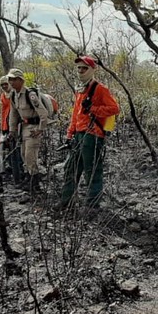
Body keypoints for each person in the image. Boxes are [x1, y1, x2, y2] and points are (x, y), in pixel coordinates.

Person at [60, 55, 120, 209]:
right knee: (71, 168)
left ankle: (92, 205)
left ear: (92, 69)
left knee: (91, 170)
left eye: (84, 68)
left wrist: (93, 109)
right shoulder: (80, 89)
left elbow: (114, 108)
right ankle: (66, 202)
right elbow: (75, 114)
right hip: (78, 134)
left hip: (93, 134)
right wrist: (69, 133)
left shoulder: (99, 88)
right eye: (79, 67)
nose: (81, 70)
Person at [7, 68, 52, 194]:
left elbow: (43, 113)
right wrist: (12, 130)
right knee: (23, 155)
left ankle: (35, 183)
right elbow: (13, 114)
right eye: (10, 79)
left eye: (14, 79)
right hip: (24, 128)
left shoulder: (30, 95)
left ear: (21, 80)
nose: (11, 82)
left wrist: (40, 129)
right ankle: (29, 179)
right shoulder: (13, 95)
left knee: (30, 156)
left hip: (34, 127)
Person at [0, 75, 24, 186]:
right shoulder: (3, 96)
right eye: (2, 84)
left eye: (6, 84)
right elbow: (4, 112)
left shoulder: (16, 95)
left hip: (17, 126)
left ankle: (21, 173)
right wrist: (3, 127)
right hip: (6, 125)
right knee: (5, 148)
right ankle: (11, 172)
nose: (4, 86)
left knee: (18, 150)